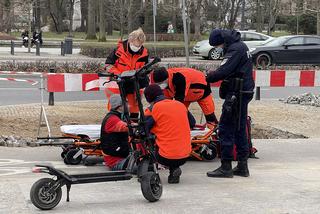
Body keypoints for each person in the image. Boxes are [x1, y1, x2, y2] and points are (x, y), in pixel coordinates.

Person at [205, 29, 255, 178]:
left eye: (218, 46)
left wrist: (209, 76)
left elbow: (224, 71)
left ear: (223, 41)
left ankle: (226, 166)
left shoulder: (235, 49)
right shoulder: (241, 46)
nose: (219, 48)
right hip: (244, 91)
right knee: (240, 128)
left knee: (226, 128)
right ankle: (242, 166)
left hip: (236, 93)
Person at [144, 84, 192, 184]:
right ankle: (174, 169)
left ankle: (149, 171)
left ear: (148, 98)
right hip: (186, 154)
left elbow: (144, 129)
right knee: (170, 142)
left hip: (165, 157)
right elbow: (192, 123)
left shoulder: (152, 109)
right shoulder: (180, 105)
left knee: (150, 140)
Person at [104, 28, 149, 121]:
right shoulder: (118, 51)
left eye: (140, 45)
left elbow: (146, 68)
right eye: (136, 44)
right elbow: (108, 65)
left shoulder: (144, 53)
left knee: (135, 108)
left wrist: (141, 75)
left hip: (135, 84)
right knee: (117, 107)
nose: (138, 47)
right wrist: (119, 74)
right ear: (130, 41)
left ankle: (133, 128)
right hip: (119, 83)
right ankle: (116, 124)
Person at [152, 67, 218, 128]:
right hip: (186, 95)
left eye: (161, 83)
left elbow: (178, 104)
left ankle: (216, 133)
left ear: (167, 78)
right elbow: (166, 103)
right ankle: (189, 126)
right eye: (158, 84)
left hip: (202, 90)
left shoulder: (179, 78)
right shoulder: (166, 83)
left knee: (210, 115)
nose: (160, 85)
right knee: (182, 115)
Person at [100, 94, 130, 171]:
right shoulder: (112, 119)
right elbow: (127, 127)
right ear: (120, 106)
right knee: (145, 166)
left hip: (120, 156)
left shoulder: (119, 117)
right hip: (116, 162)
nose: (129, 105)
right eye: (126, 103)